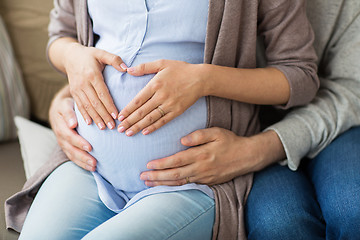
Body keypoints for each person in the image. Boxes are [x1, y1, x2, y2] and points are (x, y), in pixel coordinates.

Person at [37, 0, 360, 239]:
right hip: (90, 166)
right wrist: (68, 79)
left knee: (348, 209)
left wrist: (253, 146)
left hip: (193, 177)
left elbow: (310, 79)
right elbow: (70, 37)